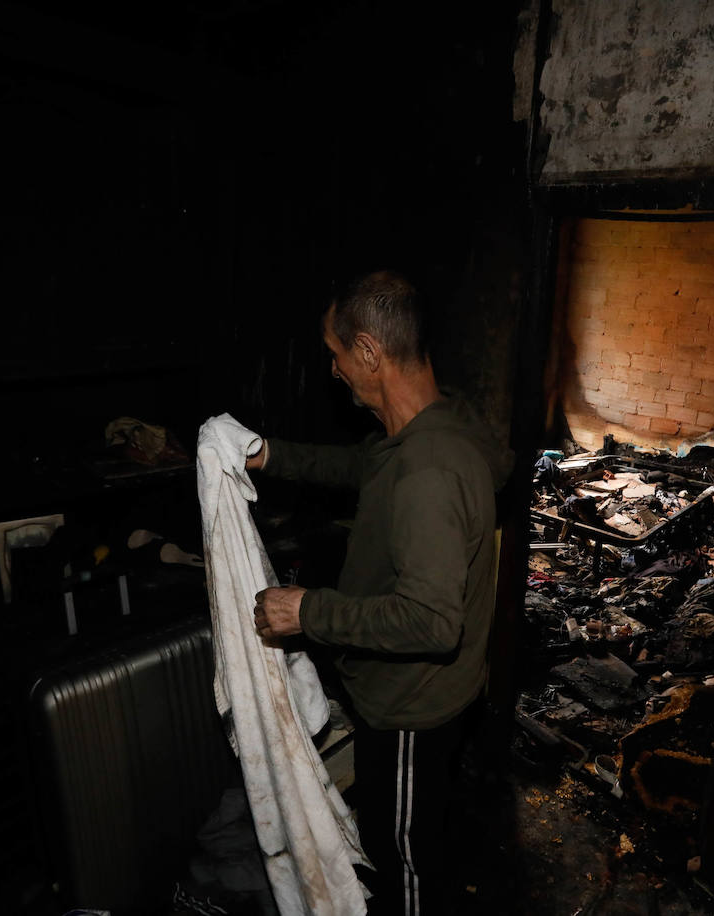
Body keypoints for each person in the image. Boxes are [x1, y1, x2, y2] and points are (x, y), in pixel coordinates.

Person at [246, 269, 510, 915]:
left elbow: (430, 623)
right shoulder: (431, 426)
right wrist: (263, 454)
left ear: (367, 351)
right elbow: (357, 465)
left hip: (411, 711)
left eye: (336, 355)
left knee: (404, 862)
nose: (333, 371)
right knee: (417, 835)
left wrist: (308, 609)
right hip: (428, 694)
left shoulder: (428, 472)